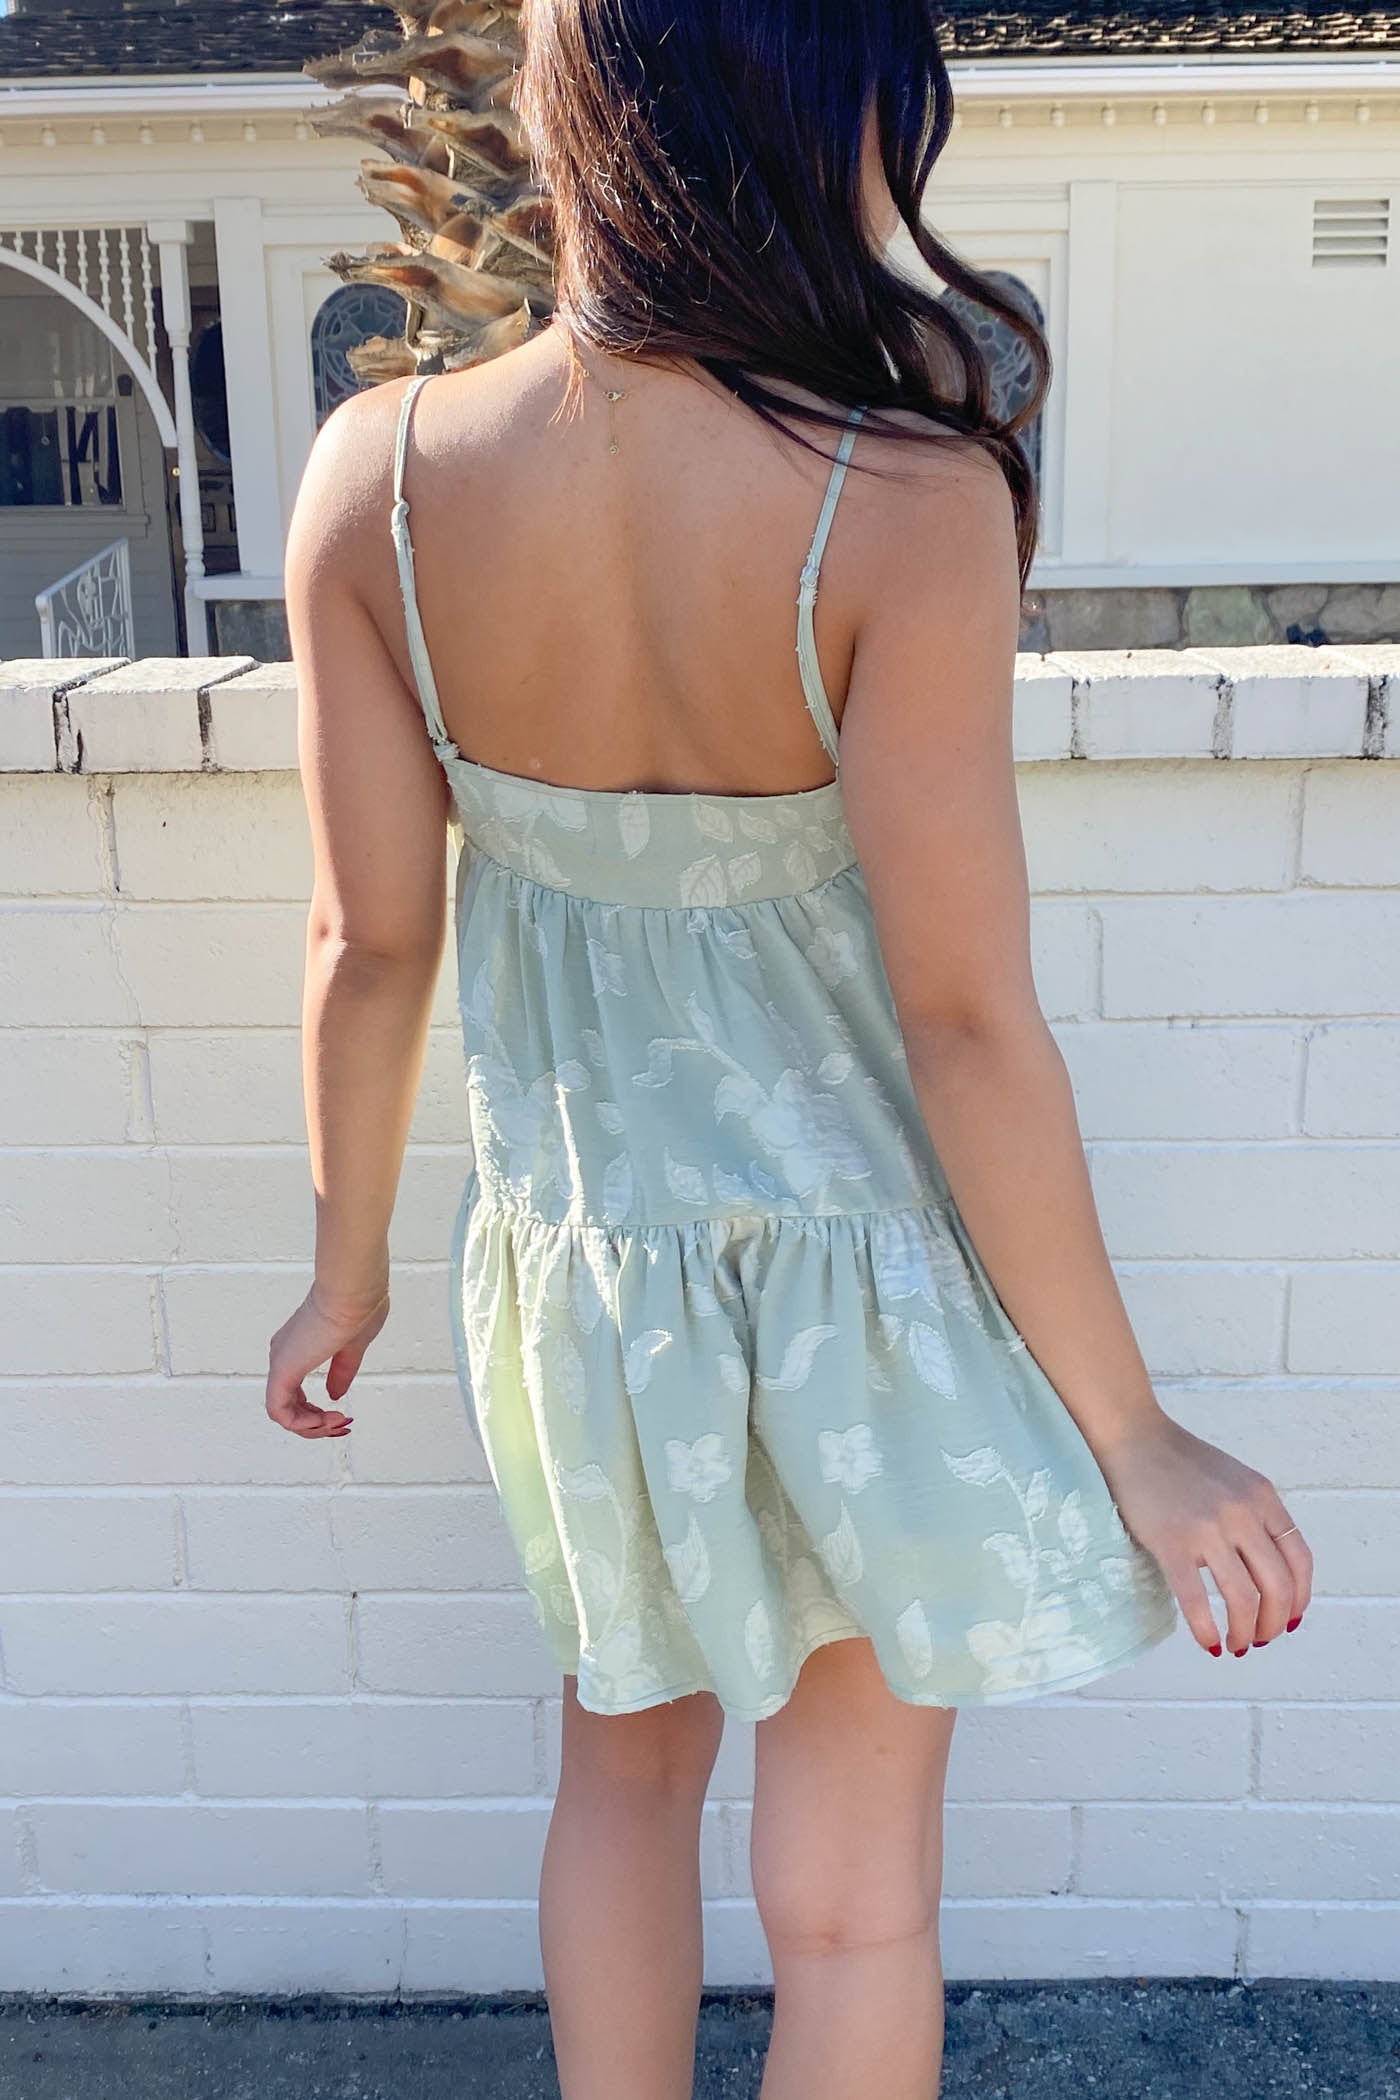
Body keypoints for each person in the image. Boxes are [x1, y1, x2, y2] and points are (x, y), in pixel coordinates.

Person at [268, 3, 1314, 2093]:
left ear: (575, 108)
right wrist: (1131, 1434)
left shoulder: (377, 482)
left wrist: (345, 1268)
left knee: (620, 1784)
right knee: (854, 1906)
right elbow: (963, 1019)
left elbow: (368, 944)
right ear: (830, 120)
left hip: (590, 1287)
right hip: (868, 1306)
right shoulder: (900, 498)